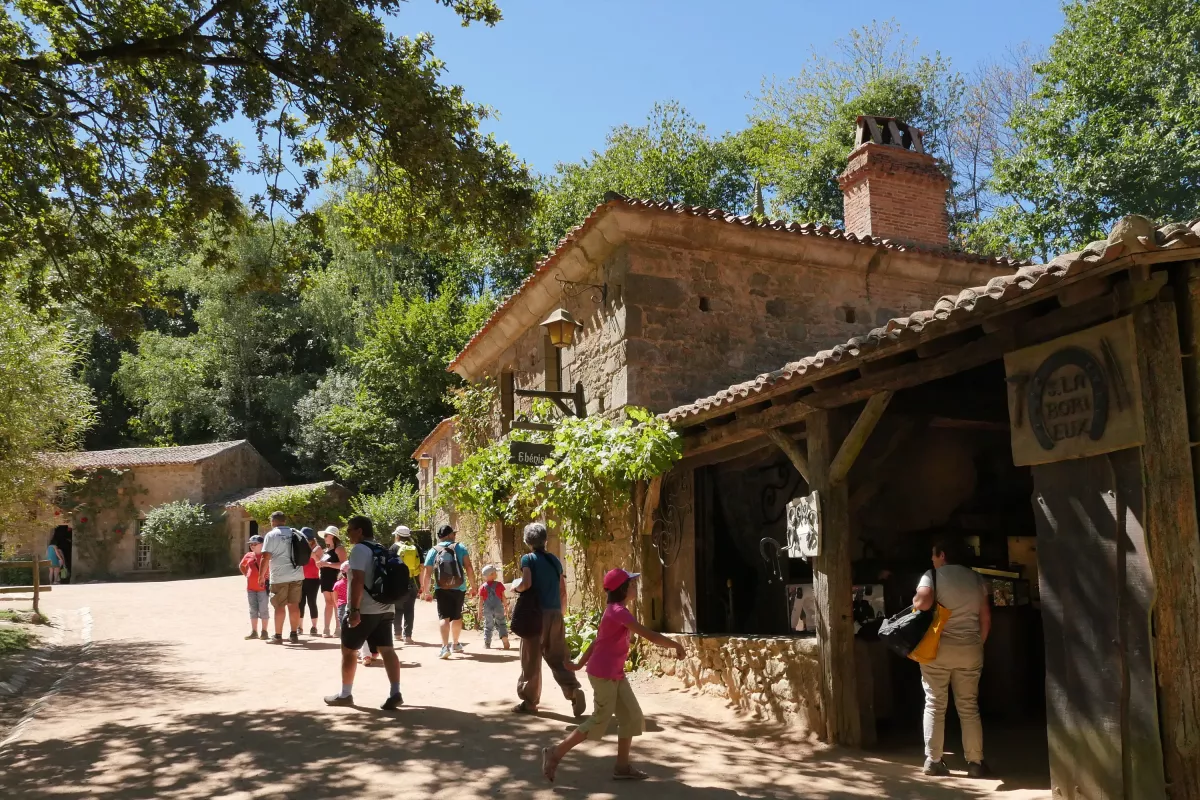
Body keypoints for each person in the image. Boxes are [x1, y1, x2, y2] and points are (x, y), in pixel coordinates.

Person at [541, 568, 686, 783]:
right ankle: (554, 753)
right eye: (632, 584)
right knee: (600, 719)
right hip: (603, 675)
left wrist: (579, 664)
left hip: (614, 674)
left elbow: (597, 641)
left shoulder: (614, 610)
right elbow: (648, 634)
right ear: (623, 589)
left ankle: (622, 767)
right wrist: (675, 645)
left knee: (631, 716)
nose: (636, 587)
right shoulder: (618, 612)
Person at [913, 540, 992, 778]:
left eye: (934, 555)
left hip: (937, 650)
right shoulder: (977, 579)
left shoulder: (932, 576)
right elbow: (985, 619)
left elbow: (923, 602)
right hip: (970, 649)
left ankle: (933, 760)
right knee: (968, 707)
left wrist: (915, 602)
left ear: (942, 554)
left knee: (935, 704)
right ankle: (976, 762)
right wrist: (977, 644)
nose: (932, 560)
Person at [324, 515, 404, 710]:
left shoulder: (360, 549)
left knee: (349, 651)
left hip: (366, 609)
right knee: (387, 649)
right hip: (386, 608)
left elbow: (357, 580)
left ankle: (345, 694)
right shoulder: (382, 548)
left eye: (350, 529)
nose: (348, 534)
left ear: (360, 531)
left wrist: (354, 610)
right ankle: (395, 692)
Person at [514, 522, 586, 717]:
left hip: (535, 615)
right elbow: (563, 589)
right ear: (545, 540)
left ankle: (529, 702)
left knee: (531, 658)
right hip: (555, 614)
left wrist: (516, 587)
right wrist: (560, 614)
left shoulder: (528, 559)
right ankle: (572, 690)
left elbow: (526, 583)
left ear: (527, 541)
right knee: (558, 656)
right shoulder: (555, 560)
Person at [420, 523, 476, 660]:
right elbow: (468, 567)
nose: (455, 536)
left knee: (443, 617)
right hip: (459, 587)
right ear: (450, 535)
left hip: (441, 588)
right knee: (456, 616)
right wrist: (473, 586)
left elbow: (427, 572)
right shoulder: (460, 547)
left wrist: (426, 591)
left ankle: (445, 647)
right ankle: (455, 644)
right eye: (454, 534)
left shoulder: (434, 550)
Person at [258, 511, 305, 644]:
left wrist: (261, 576)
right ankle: (294, 634)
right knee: (294, 605)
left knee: (279, 606)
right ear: (284, 521)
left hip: (279, 576)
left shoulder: (271, 535)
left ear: (273, 521)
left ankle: (278, 636)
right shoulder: (296, 532)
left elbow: (265, 557)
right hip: (297, 574)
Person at [389, 525, 421, 645]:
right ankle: (408, 636)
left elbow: (389, 566)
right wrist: (421, 585)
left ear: (397, 536)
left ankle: (397, 634)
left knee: (397, 609)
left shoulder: (393, 547)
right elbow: (421, 566)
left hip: (397, 583)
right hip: (412, 581)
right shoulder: (415, 547)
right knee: (409, 609)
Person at [319, 526, 347, 638]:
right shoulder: (326, 550)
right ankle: (326, 628)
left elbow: (344, 565)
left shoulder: (339, 549)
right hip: (325, 578)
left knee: (336, 603)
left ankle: (338, 628)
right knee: (328, 602)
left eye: (326, 535)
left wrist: (327, 564)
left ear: (332, 536)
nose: (325, 538)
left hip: (335, 579)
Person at [239, 536, 270, 640]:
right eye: (251, 544)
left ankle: (264, 631)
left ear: (262, 544)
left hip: (263, 588)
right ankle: (254, 631)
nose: (252, 546)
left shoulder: (266, 556)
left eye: (254, 544)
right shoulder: (248, 555)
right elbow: (241, 566)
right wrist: (247, 575)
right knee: (253, 610)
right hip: (251, 588)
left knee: (263, 610)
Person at [478, 564, 510, 649]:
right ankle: (505, 640)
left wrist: (479, 612)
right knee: (502, 624)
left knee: (488, 625)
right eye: (495, 573)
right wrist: (506, 607)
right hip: (498, 608)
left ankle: (487, 643)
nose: (496, 574)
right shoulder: (499, 585)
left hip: (487, 609)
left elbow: (480, 601)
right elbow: (503, 597)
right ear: (491, 575)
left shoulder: (482, 587)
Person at [299, 527, 322, 636]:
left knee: (312, 602)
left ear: (312, 539)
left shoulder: (317, 549)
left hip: (313, 580)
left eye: (308, 539)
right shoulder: (300, 548)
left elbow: (321, 565)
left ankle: (314, 627)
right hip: (300, 579)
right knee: (300, 603)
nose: (306, 541)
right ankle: (300, 627)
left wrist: (314, 556)